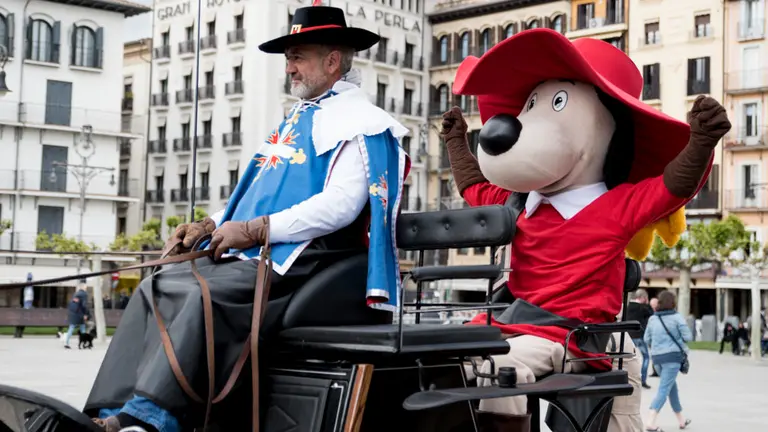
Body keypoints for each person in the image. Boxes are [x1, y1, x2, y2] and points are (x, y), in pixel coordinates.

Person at [87, 5, 409, 432]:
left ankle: (153, 417)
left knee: (207, 296)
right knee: (160, 282)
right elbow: (253, 196)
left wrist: (258, 230)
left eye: (298, 56)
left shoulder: (366, 125)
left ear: (332, 61)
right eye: (288, 58)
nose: (289, 68)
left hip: (312, 259)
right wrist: (208, 225)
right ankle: (114, 409)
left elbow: (340, 206)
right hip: (266, 249)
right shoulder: (297, 120)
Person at [644, 290, 692, 431]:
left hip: (657, 360)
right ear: (673, 303)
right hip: (672, 358)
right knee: (664, 389)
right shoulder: (677, 318)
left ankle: (681, 420)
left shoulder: (653, 319)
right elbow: (688, 337)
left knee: (671, 387)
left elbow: (647, 339)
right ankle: (650, 421)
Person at [626, 288, 654, 389]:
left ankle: (628, 379)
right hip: (640, 336)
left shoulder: (628, 306)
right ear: (642, 298)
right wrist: (647, 304)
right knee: (646, 357)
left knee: (629, 358)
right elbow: (651, 314)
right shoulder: (643, 307)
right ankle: (643, 380)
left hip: (629, 336)